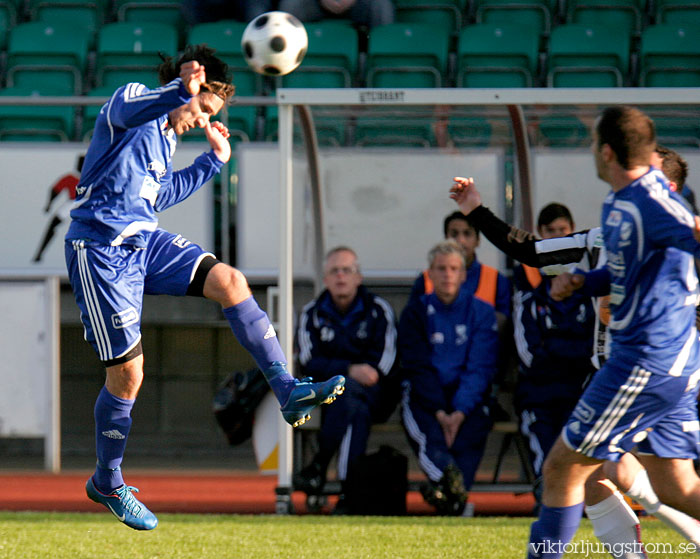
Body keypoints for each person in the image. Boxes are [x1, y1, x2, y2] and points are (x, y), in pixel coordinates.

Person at [64, 45, 345, 531]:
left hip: (142, 239)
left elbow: (157, 194)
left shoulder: (168, 135)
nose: (202, 119)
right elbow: (132, 108)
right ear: (190, 86)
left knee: (230, 280)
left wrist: (214, 162)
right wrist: (179, 90)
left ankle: (288, 389)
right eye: (204, 108)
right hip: (101, 249)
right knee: (129, 375)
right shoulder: (133, 99)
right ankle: (107, 480)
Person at [453, 105, 700, 559]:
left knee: (566, 468)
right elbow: (533, 250)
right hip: (649, 369)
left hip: (647, 365)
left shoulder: (655, 204)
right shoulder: (616, 215)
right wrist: (585, 282)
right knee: (669, 484)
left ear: (608, 152)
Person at [292, 246, 399, 512]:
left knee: (352, 395)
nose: (341, 277)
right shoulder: (311, 314)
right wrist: (349, 369)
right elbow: (308, 362)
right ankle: (347, 495)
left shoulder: (378, 310)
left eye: (347, 270)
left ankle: (320, 463)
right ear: (325, 279)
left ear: (358, 277)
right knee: (352, 406)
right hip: (330, 397)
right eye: (334, 271)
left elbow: (383, 364)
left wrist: (354, 375)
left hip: (377, 394)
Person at [399, 239, 500, 515]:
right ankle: (452, 493)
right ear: (429, 273)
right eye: (441, 268)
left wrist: (459, 410)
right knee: (431, 436)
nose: (447, 275)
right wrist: (441, 411)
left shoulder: (481, 311)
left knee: (472, 430)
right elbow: (417, 366)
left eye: (454, 268)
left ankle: (451, 498)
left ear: (463, 274)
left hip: (466, 398)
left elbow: (480, 366)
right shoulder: (415, 312)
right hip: (426, 396)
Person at [512, 203, 596, 508]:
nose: (559, 238)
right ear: (541, 237)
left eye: (564, 231)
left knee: (583, 460)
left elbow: (594, 352)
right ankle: (546, 507)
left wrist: (557, 352)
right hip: (540, 397)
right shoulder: (529, 297)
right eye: (551, 233)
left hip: (580, 395)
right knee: (547, 459)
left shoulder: (591, 291)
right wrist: (571, 355)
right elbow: (530, 357)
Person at [33, 154, 85, 262]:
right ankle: (40, 253)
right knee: (53, 224)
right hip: (72, 203)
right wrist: (49, 204)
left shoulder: (91, 177)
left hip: (86, 204)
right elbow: (55, 190)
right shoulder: (71, 178)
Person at [277, 0, 394, 29]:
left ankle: (382, 70)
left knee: (381, 6)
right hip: (315, 4)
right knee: (290, 5)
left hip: (358, 4)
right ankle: (280, 75)